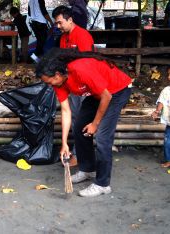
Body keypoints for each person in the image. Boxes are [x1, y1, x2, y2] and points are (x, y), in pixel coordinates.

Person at [36, 48, 132, 197]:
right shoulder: (58, 83)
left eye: (49, 82)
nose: (50, 85)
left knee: (102, 137)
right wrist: (64, 144)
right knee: (79, 126)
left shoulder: (80, 69)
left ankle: (103, 184)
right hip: (96, 94)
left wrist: (95, 124)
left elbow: (106, 97)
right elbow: (66, 111)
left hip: (116, 91)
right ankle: (88, 169)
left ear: (57, 74)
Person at [52, 5, 94, 167]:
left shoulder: (83, 36)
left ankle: (79, 155)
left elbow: (89, 63)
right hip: (71, 84)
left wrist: (88, 90)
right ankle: (76, 152)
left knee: (82, 120)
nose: (58, 26)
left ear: (70, 20)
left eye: (60, 23)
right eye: (56, 23)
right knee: (76, 119)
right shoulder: (63, 38)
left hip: (85, 86)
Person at [151, 67, 170, 168]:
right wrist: (157, 111)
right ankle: (168, 160)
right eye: (168, 74)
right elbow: (161, 102)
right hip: (169, 122)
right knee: (167, 142)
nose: (169, 77)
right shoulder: (166, 90)